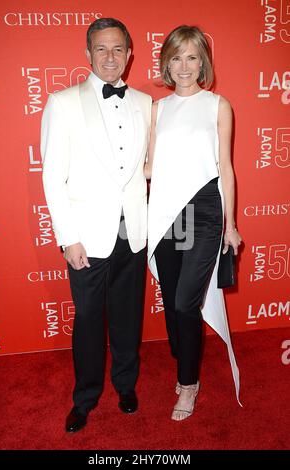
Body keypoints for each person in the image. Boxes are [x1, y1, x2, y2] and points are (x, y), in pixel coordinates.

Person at [41, 18, 152, 433]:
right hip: (86, 237)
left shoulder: (144, 102)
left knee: (128, 317)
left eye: (118, 49)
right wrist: (68, 238)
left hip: (132, 231)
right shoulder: (62, 102)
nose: (110, 57)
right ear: (88, 54)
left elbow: (144, 168)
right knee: (88, 319)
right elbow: (52, 177)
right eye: (101, 49)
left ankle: (125, 385)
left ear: (129, 54)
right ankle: (85, 398)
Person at [146, 25, 242, 421]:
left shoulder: (219, 105)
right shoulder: (157, 108)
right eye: (176, 57)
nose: (184, 66)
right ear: (167, 62)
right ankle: (183, 354)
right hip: (164, 211)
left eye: (191, 57)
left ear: (203, 61)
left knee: (187, 302)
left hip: (204, 211)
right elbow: (149, 166)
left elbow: (226, 168)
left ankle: (188, 384)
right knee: (172, 302)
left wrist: (230, 224)